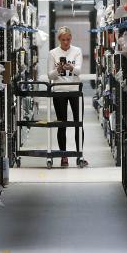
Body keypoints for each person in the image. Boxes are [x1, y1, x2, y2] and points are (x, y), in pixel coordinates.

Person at [47, 26, 85, 167]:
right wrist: (58, 70)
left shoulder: (77, 51)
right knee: (62, 124)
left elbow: (79, 71)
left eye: (68, 39)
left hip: (75, 90)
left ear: (71, 38)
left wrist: (71, 68)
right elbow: (50, 75)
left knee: (78, 124)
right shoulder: (52, 53)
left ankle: (79, 155)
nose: (66, 43)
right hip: (59, 91)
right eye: (63, 40)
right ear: (59, 39)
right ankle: (64, 156)